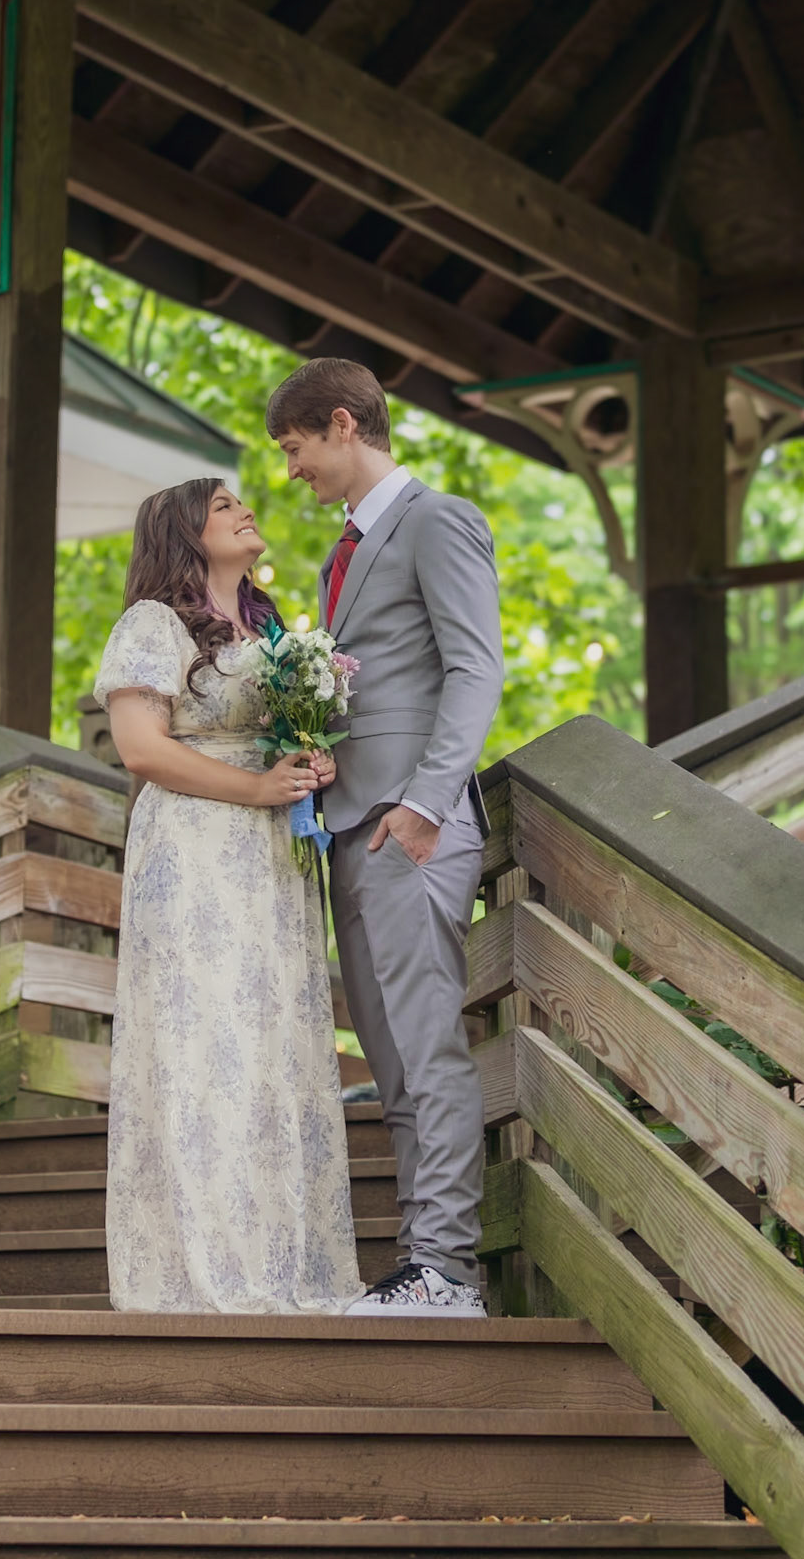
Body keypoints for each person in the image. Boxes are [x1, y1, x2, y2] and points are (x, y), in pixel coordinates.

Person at [266, 359, 504, 1318]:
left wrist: (426, 804)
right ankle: (422, 1263)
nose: (290, 471)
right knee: (391, 1060)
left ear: (341, 424)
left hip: (411, 829)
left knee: (426, 1047)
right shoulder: (347, 550)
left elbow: (475, 670)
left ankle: (448, 1268)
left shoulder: (436, 519)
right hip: (352, 832)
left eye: (294, 449)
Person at [93, 477, 362, 1314]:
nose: (245, 510)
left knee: (273, 1040)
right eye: (222, 506)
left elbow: (277, 738)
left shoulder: (270, 629)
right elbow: (140, 749)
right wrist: (254, 788)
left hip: (273, 858)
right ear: (183, 532)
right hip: (194, 848)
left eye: (241, 501)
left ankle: (285, 1262)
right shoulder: (153, 624)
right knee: (204, 1040)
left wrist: (309, 762)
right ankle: (202, 1267)